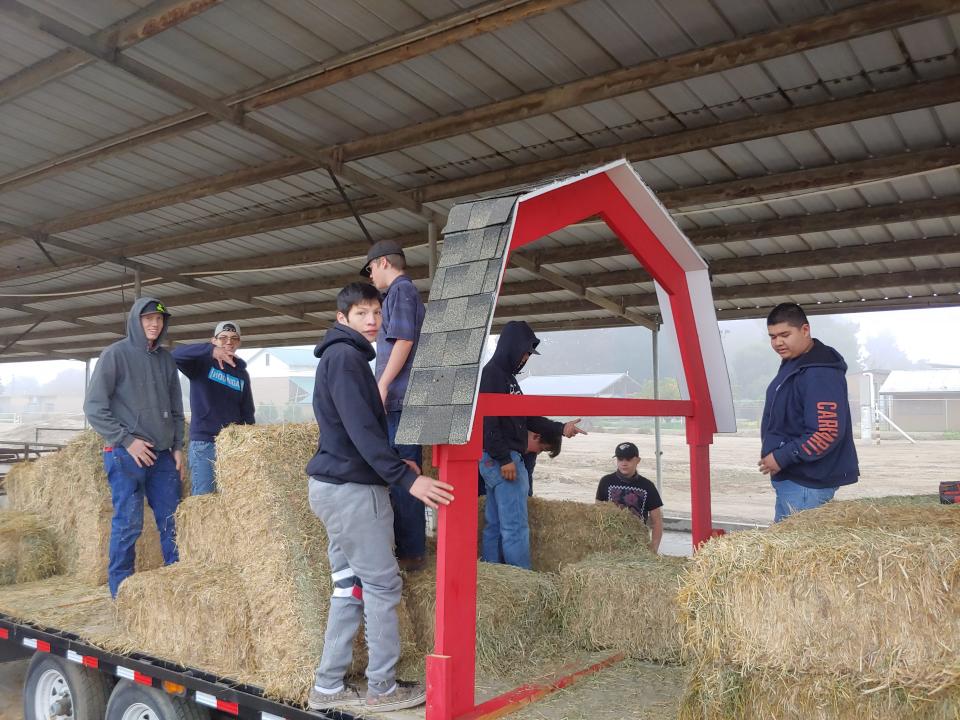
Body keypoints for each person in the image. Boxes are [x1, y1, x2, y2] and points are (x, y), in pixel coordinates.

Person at [305, 282, 454, 713]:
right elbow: (362, 430)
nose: (372, 320)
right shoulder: (348, 359)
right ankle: (383, 688)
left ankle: (328, 684)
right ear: (342, 319)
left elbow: (355, 433)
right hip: (353, 491)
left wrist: (394, 464)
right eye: (361, 314)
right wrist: (406, 481)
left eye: (376, 312)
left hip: (334, 485)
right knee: (383, 586)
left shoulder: (340, 358)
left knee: (348, 585)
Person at [83, 298, 184, 598]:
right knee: (129, 524)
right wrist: (127, 441)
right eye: (148, 319)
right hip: (126, 455)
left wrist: (177, 446)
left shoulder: (166, 360)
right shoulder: (115, 355)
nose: (154, 324)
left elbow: (177, 409)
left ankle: (177, 587)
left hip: (163, 455)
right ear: (135, 321)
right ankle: (122, 594)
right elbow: (94, 407)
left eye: (159, 320)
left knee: (173, 522)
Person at [478, 320, 585, 569]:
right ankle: (522, 580)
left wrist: (561, 428)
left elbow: (529, 418)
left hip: (494, 458)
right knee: (515, 526)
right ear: (512, 347)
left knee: (494, 523)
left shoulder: (506, 378)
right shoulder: (494, 375)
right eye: (525, 352)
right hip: (504, 459)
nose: (526, 358)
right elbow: (488, 421)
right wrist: (504, 458)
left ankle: (493, 573)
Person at [759, 302, 859, 521]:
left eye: (784, 334)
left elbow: (826, 431)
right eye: (773, 336)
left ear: (805, 330)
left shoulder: (819, 373)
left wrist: (782, 457)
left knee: (791, 551)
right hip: (796, 479)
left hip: (807, 483)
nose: (778, 342)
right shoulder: (795, 363)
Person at [362, 239, 427, 571]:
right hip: (404, 400)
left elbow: (404, 340)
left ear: (384, 263)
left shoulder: (402, 292)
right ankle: (408, 549)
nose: (371, 276)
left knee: (403, 474)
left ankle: (411, 554)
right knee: (401, 470)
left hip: (401, 399)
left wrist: (383, 384)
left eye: (371, 268)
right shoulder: (400, 294)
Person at [171, 320, 255, 495]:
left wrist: (249, 443)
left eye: (234, 338)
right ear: (214, 340)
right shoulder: (201, 364)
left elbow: (247, 411)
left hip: (232, 444)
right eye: (223, 338)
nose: (228, 342)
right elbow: (175, 355)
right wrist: (210, 351)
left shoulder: (241, 373)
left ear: (239, 343)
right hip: (205, 442)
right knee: (205, 498)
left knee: (233, 498)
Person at [596, 442, 664, 554]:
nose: (624, 463)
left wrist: (653, 549)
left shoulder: (647, 486)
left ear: (638, 460)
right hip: (609, 545)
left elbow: (657, 521)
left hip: (638, 545)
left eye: (628, 459)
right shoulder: (606, 482)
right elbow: (597, 514)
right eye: (620, 459)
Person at [478, 417, 563, 497]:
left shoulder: (530, 455)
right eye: (541, 449)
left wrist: (528, 497)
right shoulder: (507, 435)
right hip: (492, 456)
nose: (538, 452)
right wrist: (505, 460)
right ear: (536, 436)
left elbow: (528, 482)